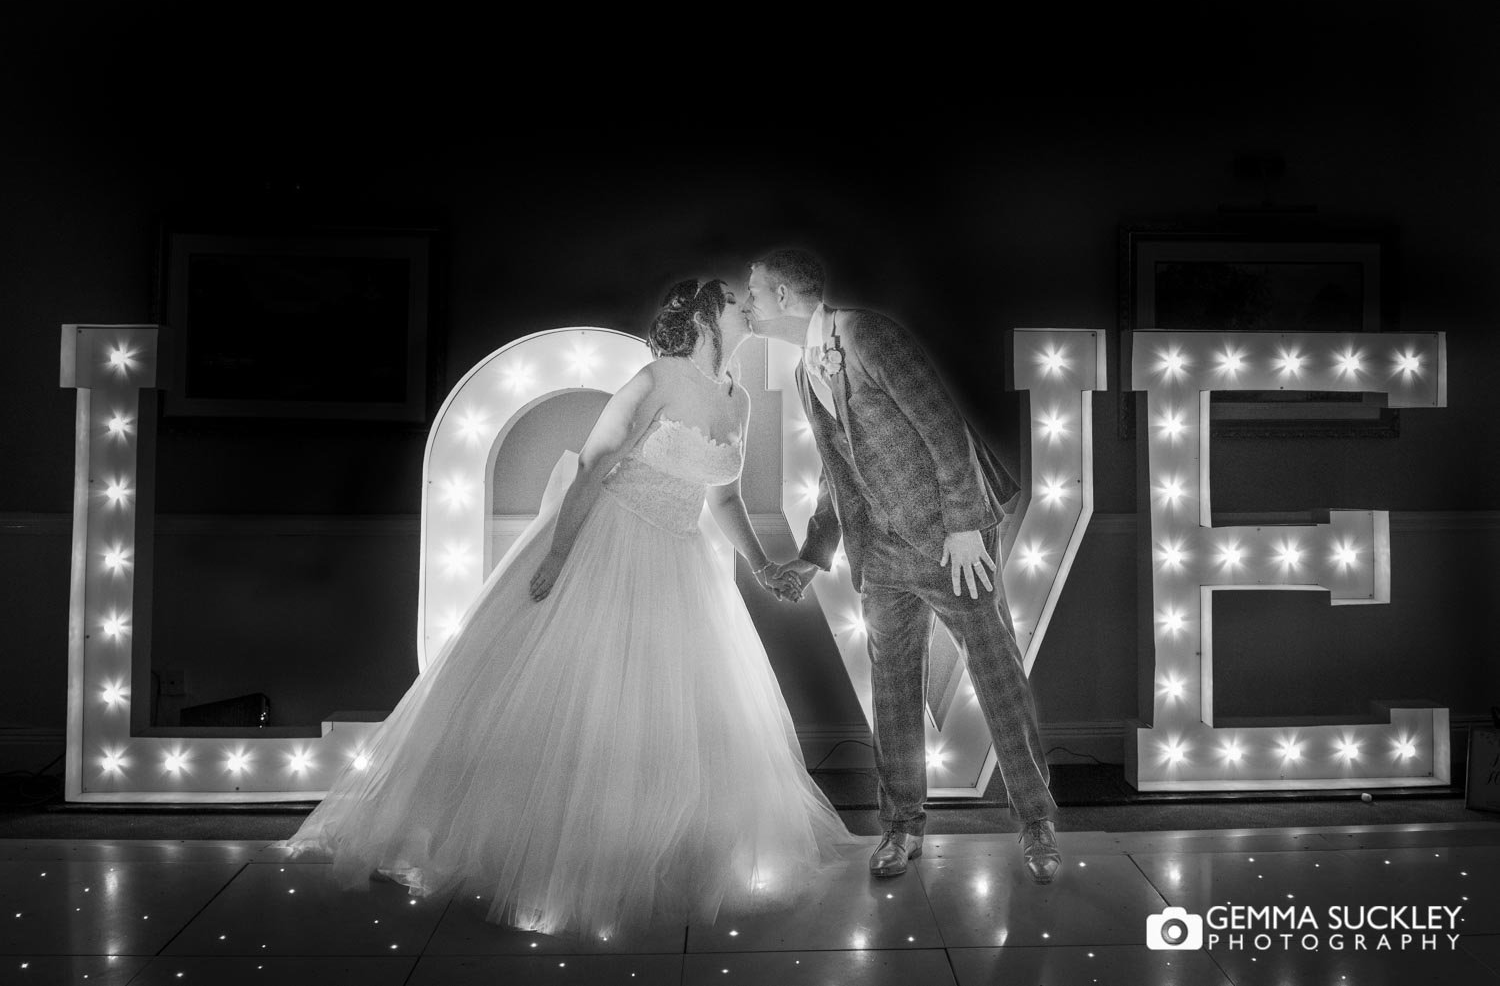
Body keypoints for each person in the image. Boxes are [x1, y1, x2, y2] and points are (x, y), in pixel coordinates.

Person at [274, 278, 860, 938]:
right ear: (701, 315)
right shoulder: (655, 378)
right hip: (608, 540)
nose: (745, 304)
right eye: (731, 298)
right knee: (580, 700)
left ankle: (653, 850)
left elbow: (721, 499)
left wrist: (762, 564)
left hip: (680, 555)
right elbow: (593, 462)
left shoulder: (739, 398)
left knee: (663, 708)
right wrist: (557, 557)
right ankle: (543, 858)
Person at [744, 249, 1062, 884]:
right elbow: (838, 474)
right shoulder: (808, 372)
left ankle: (1037, 826)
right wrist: (815, 554)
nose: (746, 302)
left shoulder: (867, 335)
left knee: (997, 678)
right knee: (891, 690)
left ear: (783, 296)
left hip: (952, 544)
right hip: (881, 552)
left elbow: (943, 426)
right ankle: (901, 828)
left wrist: (966, 525)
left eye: (753, 292)